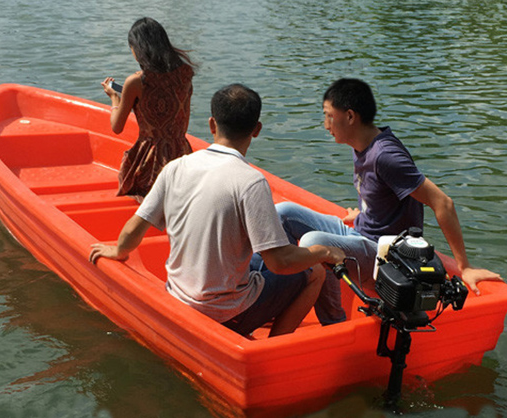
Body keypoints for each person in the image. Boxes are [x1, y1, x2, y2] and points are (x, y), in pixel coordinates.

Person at [89, 84, 345, 338]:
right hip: (226, 315)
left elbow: (136, 226)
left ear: (212, 125)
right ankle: (269, 349)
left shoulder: (176, 167)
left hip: (178, 296)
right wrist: (322, 251)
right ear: (256, 130)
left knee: (261, 256)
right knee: (315, 272)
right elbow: (280, 263)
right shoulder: (250, 181)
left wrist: (118, 250)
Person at [276, 77, 502, 325]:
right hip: (362, 232)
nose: (325, 124)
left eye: (329, 116)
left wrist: (464, 267)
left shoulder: (386, 155)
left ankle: (334, 322)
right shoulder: (361, 144)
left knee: (312, 242)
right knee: (283, 213)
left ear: (350, 117)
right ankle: (284, 294)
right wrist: (363, 214)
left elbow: (443, 203)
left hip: (386, 253)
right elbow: (382, 196)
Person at [101, 17, 195, 198]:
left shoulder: (136, 82)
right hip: (182, 154)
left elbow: (117, 127)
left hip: (150, 161)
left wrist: (114, 99)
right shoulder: (185, 73)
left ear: (137, 49)